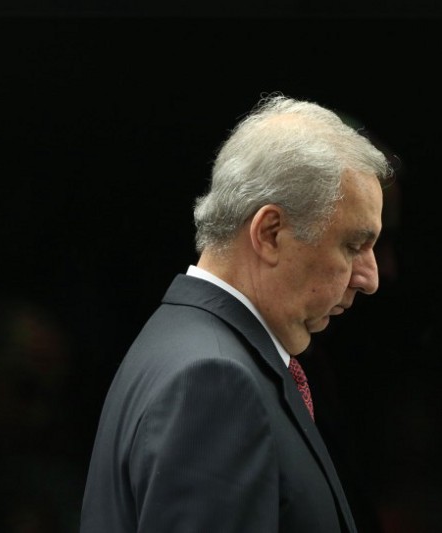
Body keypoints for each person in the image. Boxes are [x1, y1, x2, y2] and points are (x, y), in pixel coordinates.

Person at [79, 93, 395, 533]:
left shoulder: (188, 345)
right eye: (353, 244)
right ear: (270, 232)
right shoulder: (213, 380)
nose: (370, 277)